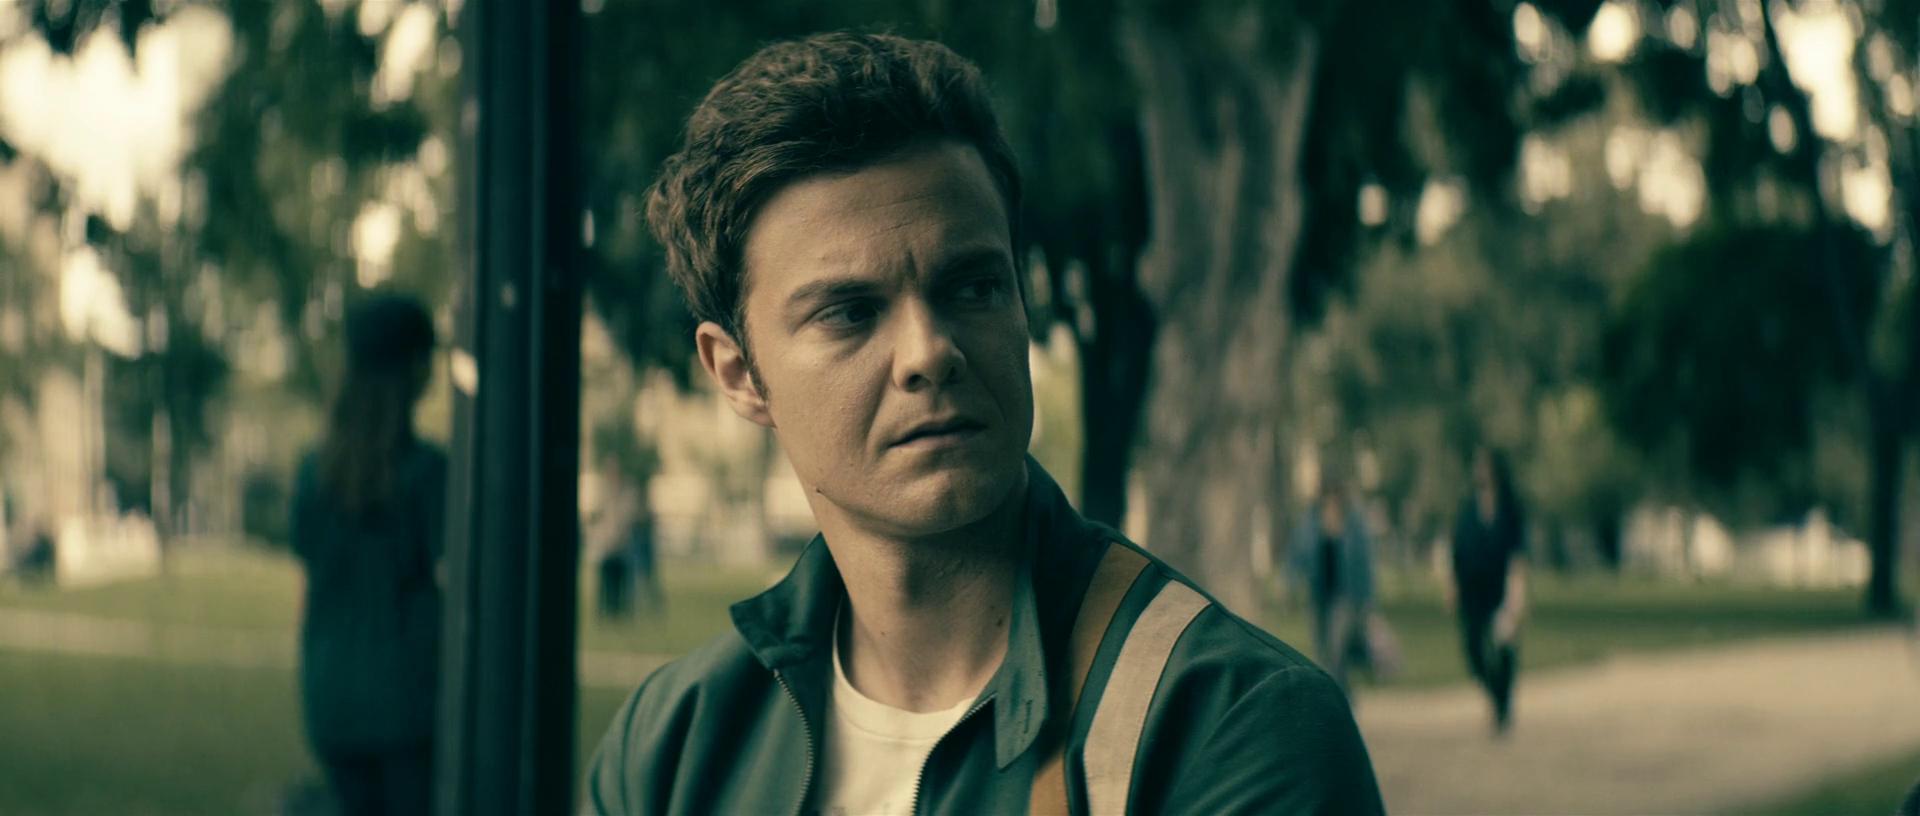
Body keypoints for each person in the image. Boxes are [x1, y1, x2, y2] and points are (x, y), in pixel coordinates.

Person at [584, 31, 1383, 816]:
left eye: (972, 288)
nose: (929, 352)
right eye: (850, 312)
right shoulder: (671, 748)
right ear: (738, 374)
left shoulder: (1231, 728)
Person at [290, 293, 445, 816]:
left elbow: (307, 589)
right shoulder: (427, 474)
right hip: (407, 705)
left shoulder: (313, 473)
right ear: (412, 369)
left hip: (331, 699)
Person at [1446, 446, 1529, 735]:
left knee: (1504, 647)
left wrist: (1517, 594)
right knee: (1473, 648)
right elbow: (1456, 550)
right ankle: (1495, 695)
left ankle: (1503, 703)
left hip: (1500, 588)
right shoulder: (1468, 508)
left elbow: (1517, 554)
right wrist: (1453, 585)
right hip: (1472, 589)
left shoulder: (1510, 508)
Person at [1290, 472, 1378, 691]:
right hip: (1319, 596)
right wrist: (1290, 582)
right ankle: (1336, 694)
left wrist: (1367, 602)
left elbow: (1364, 563)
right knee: (1321, 651)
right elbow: (1297, 553)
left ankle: (1339, 694)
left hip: (1344, 597)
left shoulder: (1353, 524)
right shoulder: (1311, 522)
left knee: (1336, 651)